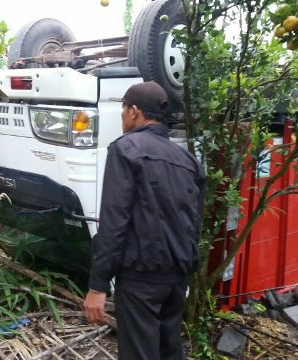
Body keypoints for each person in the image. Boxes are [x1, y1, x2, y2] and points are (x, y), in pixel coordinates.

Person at [83, 81, 206, 360]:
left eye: (123, 109)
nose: (122, 116)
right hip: (177, 277)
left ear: (135, 111)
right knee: (169, 350)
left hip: (141, 279)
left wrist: (98, 285)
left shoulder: (126, 149)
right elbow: (194, 222)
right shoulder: (188, 161)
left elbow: (114, 221)